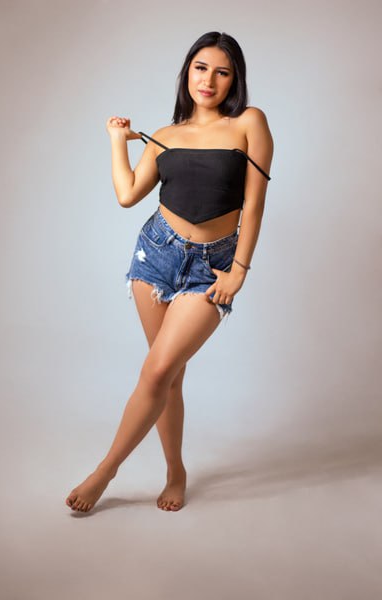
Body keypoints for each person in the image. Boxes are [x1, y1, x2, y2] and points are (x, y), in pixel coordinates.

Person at [65, 31, 273, 513]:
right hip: (155, 255)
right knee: (169, 376)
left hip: (212, 267)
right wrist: (116, 141)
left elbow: (255, 204)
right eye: (201, 68)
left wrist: (239, 271)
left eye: (222, 72)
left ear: (234, 79)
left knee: (157, 370)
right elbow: (127, 194)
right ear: (187, 73)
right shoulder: (165, 135)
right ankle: (175, 471)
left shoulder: (249, 123)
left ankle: (105, 471)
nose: (209, 80)